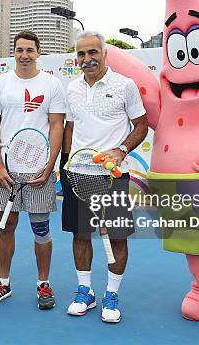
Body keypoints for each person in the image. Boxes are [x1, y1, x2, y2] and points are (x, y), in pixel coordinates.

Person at [61, 31, 148, 323]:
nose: (87, 60)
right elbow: (70, 129)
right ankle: (85, 290)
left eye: (92, 53)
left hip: (113, 176)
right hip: (78, 174)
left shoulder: (125, 86)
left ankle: (111, 294)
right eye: (82, 55)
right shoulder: (71, 88)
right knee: (81, 235)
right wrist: (65, 165)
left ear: (104, 53)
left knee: (117, 237)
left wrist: (121, 150)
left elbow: (141, 125)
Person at [0, 30, 65, 309]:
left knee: (41, 230)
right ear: (13, 52)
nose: (25, 55)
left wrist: (49, 165)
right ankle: (2, 283)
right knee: (5, 227)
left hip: (39, 172)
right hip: (6, 171)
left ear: (38, 53)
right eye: (19, 50)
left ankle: (44, 285)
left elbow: (57, 127)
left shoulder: (53, 85)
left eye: (30, 50)